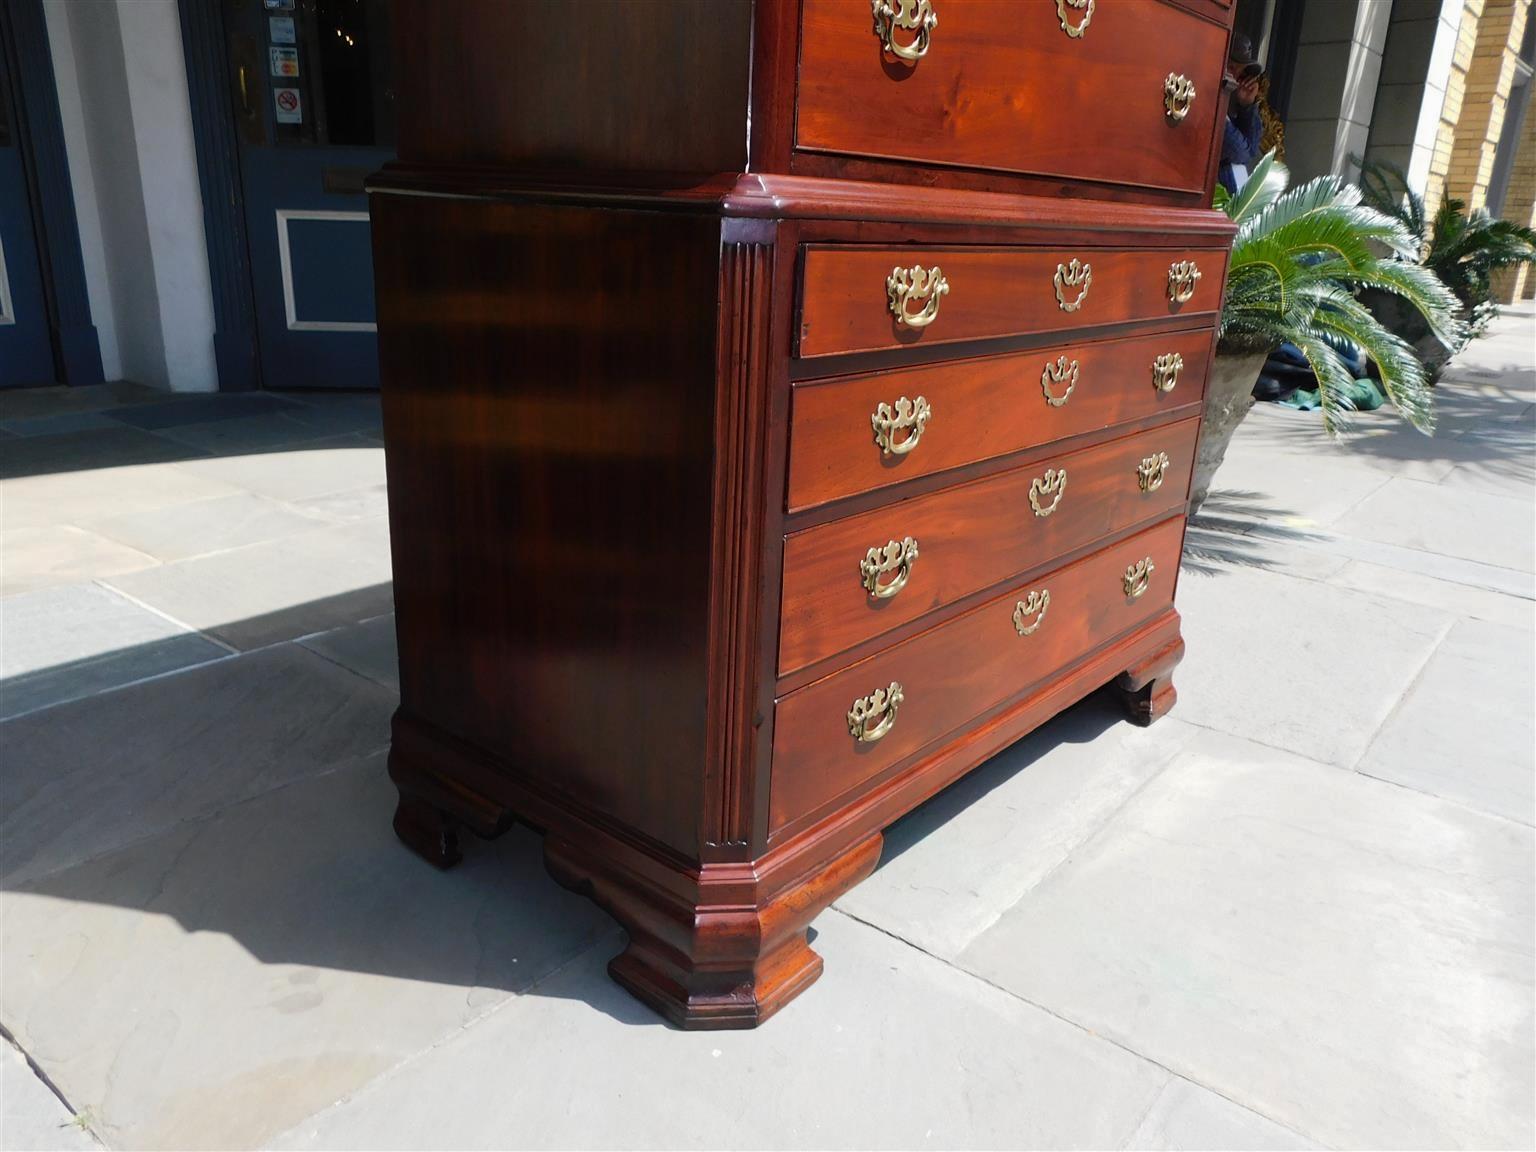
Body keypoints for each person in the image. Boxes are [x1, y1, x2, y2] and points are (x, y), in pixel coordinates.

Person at [1219, 35, 1264, 195]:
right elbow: (1240, 152)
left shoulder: (1230, 97)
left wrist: (1247, 105)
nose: (1235, 77)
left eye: (1241, 73)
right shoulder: (1209, 95)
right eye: (1231, 67)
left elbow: (1251, 150)